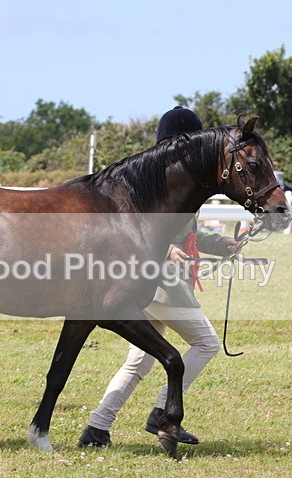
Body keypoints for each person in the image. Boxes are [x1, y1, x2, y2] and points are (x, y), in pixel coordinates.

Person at [78, 106, 238, 447]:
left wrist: (220, 243)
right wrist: (165, 252)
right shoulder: (161, 182)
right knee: (206, 343)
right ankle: (164, 414)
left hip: (153, 282)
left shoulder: (164, 177)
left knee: (139, 360)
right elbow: (141, 226)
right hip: (163, 284)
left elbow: (181, 231)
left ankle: (97, 428)